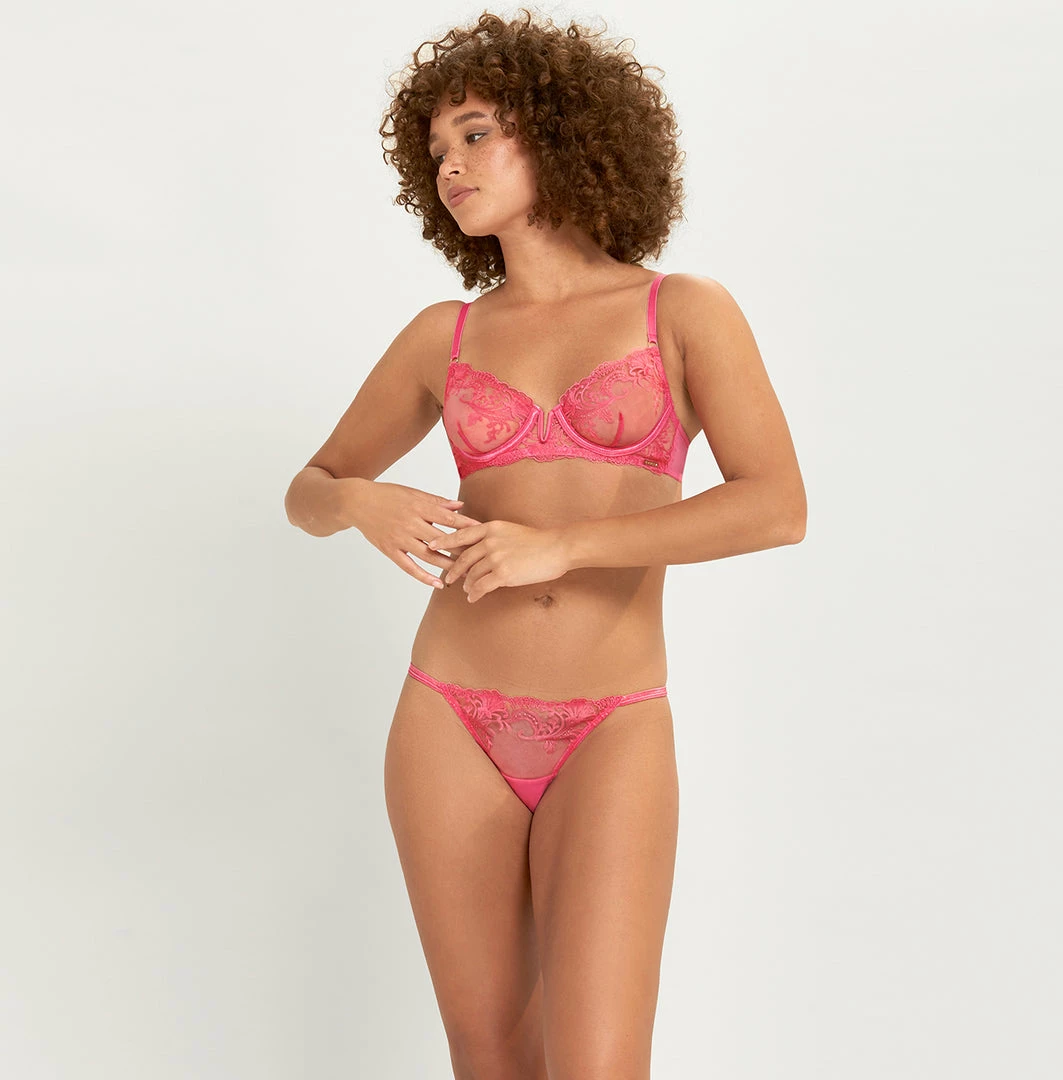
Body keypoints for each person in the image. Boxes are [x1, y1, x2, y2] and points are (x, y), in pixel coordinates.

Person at [284, 11, 806, 1079]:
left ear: (564, 131)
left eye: (476, 134)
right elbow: (309, 490)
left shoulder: (680, 311)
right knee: (490, 1058)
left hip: (612, 724)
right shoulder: (446, 334)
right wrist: (362, 503)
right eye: (436, 151)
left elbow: (775, 506)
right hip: (447, 717)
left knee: (601, 1063)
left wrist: (562, 546)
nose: (450, 167)